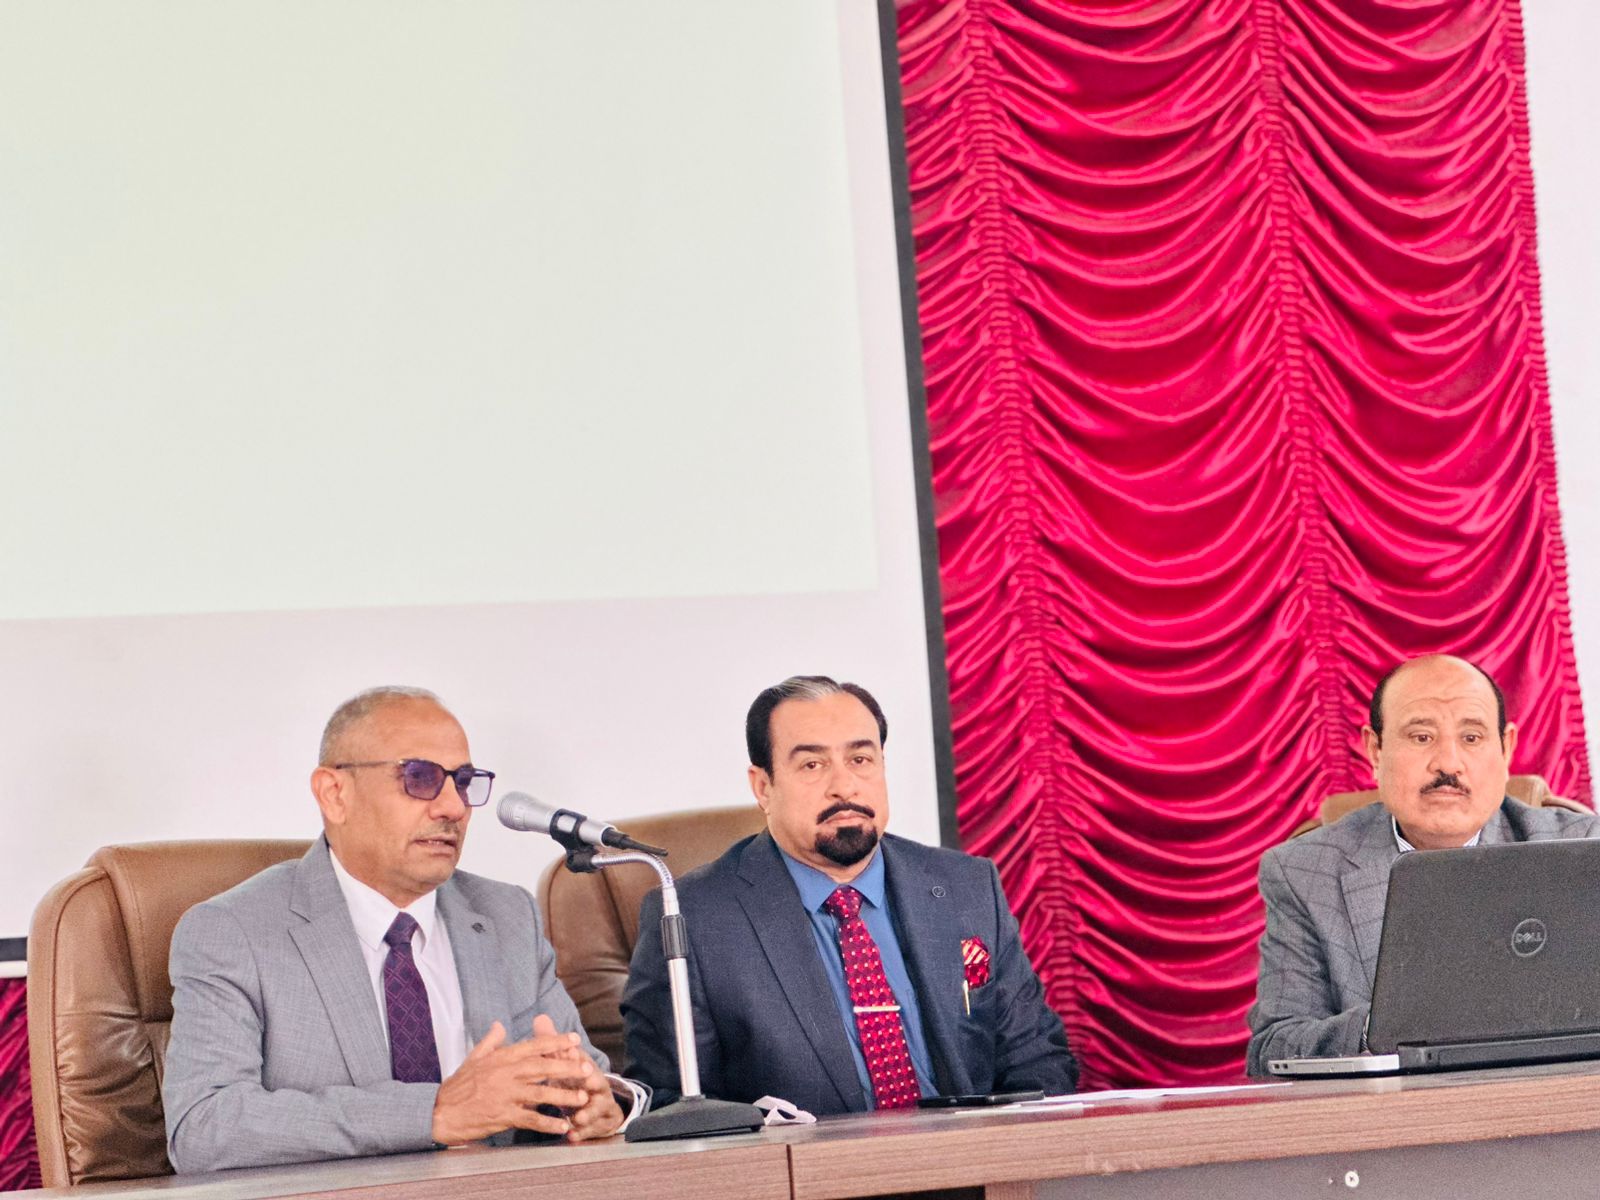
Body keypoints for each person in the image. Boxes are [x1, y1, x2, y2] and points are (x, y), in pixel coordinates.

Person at [163, 687, 645, 1172]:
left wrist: (601, 1105)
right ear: (335, 794)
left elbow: (587, 1077)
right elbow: (203, 1127)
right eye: (420, 778)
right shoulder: (235, 932)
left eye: (464, 782)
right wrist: (433, 1113)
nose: (453, 807)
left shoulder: (505, 916)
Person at [620, 675, 1076, 1114]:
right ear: (763, 787)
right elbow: (672, 1103)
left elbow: (1036, 1057)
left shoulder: (966, 887)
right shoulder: (693, 917)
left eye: (860, 759)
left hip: (972, 1158)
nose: (844, 786)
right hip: (804, 1164)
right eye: (812, 765)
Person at [1246, 654, 1600, 1075]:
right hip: (1397, 1112)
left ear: (1505, 748)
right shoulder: (1304, 874)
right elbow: (1272, 1051)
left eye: (1472, 738)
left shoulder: (1582, 850)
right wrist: (1384, 1026)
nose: (1448, 763)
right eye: (1421, 737)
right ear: (1375, 749)